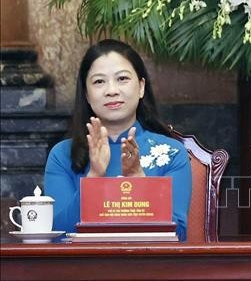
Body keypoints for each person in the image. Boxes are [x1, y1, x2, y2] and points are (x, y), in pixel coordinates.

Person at [44, 39, 192, 240]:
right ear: (86, 95)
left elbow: (179, 235)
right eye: (99, 81)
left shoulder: (171, 152)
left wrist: (139, 181)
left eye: (122, 78)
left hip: (151, 268)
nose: (111, 90)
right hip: (82, 269)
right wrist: (95, 176)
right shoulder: (62, 155)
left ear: (141, 87)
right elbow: (57, 235)